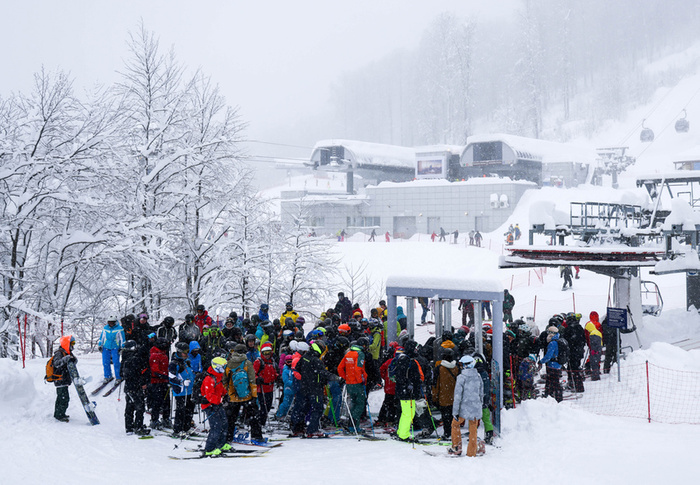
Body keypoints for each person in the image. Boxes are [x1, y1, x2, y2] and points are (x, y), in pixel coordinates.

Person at [292, 340, 338, 437]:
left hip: (305, 387)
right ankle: (312, 430)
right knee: (317, 408)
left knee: (304, 408)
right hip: (315, 388)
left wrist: (307, 376)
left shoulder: (305, 357)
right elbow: (323, 373)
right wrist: (336, 378)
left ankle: (298, 428)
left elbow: (298, 367)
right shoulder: (315, 360)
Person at [223, 344, 263, 442]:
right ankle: (256, 436)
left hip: (233, 396)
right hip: (246, 395)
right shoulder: (247, 363)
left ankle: (228, 437)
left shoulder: (229, 363)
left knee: (231, 418)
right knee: (253, 416)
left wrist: (226, 393)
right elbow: (252, 381)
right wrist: (254, 396)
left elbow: (224, 380)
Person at [450, 355, 484, 456]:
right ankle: (471, 452)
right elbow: (481, 394)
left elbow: (457, 396)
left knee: (455, 424)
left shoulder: (461, 378)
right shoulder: (478, 376)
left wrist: (455, 411)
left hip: (463, 409)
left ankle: (456, 447)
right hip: (475, 408)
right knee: (473, 430)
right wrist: (479, 405)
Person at [391, 340, 424, 442]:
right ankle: (404, 434)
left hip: (407, 390)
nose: (416, 350)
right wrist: (409, 384)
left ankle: (401, 431)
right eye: (415, 348)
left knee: (407, 413)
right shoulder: (406, 360)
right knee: (408, 413)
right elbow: (402, 376)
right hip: (406, 391)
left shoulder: (408, 359)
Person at [201, 356, 229, 456]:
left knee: (224, 423)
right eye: (222, 367)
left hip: (217, 404)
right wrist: (219, 400)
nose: (224, 369)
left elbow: (221, 389)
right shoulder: (209, 379)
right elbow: (209, 395)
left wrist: (225, 395)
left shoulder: (218, 376)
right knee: (216, 426)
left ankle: (221, 444)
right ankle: (209, 449)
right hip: (209, 406)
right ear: (216, 367)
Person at [337, 339, 367, 433]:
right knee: (359, 405)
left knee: (353, 404)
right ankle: (354, 426)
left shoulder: (348, 353)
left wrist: (346, 377)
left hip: (349, 383)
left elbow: (340, 368)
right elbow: (358, 369)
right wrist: (360, 381)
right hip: (357, 384)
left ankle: (351, 425)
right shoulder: (360, 354)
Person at [121, 340, 150, 435]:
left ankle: (129, 427)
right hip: (135, 387)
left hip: (129, 387)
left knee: (129, 406)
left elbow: (121, 373)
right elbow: (138, 373)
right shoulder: (135, 359)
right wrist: (142, 383)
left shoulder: (124, 358)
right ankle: (138, 426)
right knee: (139, 407)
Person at [432, 348, 459, 440]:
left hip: (443, 398)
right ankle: (454, 433)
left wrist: (434, 398)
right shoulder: (457, 368)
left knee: (445, 417)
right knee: (454, 417)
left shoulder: (439, 369)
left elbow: (435, 385)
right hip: (455, 398)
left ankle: (447, 433)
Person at [169, 342, 195, 436]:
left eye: (188, 352)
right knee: (181, 410)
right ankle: (177, 429)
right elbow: (171, 378)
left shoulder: (185, 361)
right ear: (179, 352)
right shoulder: (174, 363)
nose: (187, 354)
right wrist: (181, 382)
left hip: (189, 390)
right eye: (185, 352)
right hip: (180, 391)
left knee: (189, 409)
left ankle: (186, 428)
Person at [52, 335, 77, 422]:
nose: (73, 346)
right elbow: (56, 364)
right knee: (64, 398)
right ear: (67, 344)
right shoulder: (59, 353)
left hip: (64, 379)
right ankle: (60, 415)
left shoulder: (67, 352)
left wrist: (73, 359)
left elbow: (72, 362)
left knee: (62, 397)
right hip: (60, 379)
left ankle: (59, 413)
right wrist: (66, 359)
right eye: (72, 343)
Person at [254, 342, 278, 427]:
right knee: (263, 407)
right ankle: (260, 422)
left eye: (269, 353)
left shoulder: (272, 362)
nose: (267, 355)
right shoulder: (259, 362)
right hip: (262, 388)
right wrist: (257, 379)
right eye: (265, 353)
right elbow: (253, 374)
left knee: (268, 406)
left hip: (270, 388)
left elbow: (274, 372)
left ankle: (261, 422)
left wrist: (277, 377)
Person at [148, 337, 170, 429]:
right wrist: (165, 375)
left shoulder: (163, 354)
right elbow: (155, 370)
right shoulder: (155, 355)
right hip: (156, 382)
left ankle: (166, 419)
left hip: (164, 381)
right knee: (157, 401)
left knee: (166, 401)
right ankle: (154, 420)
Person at [98, 315, 125, 382]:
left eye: (112, 322)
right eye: (109, 322)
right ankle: (108, 376)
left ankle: (118, 377)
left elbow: (122, 339)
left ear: (115, 322)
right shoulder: (105, 328)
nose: (110, 324)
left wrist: (122, 347)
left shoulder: (119, 328)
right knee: (105, 362)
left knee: (116, 363)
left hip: (115, 347)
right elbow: (102, 337)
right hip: (106, 347)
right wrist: (100, 345)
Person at [540, 326, 563, 402]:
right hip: (558, 364)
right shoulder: (559, 340)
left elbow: (548, 356)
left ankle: (556, 396)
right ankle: (550, 394)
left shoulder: (552, 343)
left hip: (552, 364)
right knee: (552, 380)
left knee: (553, 381)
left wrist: (541, 361)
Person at [585, 311, 603, 381]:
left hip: (590, 341)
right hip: (597, 342)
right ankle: (596, 370)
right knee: (596, 355)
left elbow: (586, 333)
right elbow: (601, 334)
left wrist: (588, 341)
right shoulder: (598, 324)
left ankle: (588, 367)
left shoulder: (588, 324)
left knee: (592, 354)